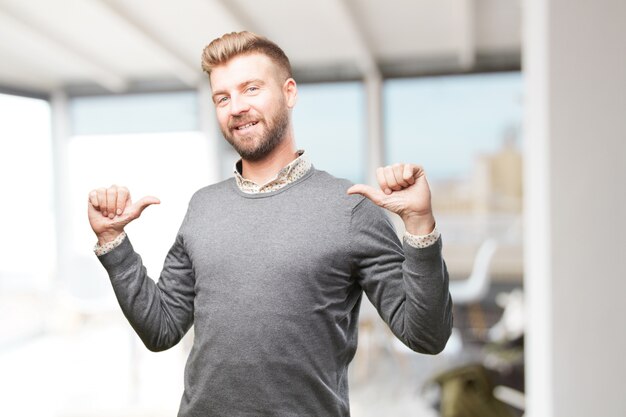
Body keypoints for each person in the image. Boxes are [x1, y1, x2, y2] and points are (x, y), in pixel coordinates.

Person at [88, 31, 453, 417]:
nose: (236, 107)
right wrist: (114, 242)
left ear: (289, 93)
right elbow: (161, 329)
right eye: (222, 98)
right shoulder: (203, 206)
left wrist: (418, 225)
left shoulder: (350, 208)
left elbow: (426, 336)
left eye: (251, 89)